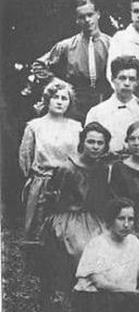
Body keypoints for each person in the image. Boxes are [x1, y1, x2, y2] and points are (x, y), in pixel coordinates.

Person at [68, 198, 139, 312]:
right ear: (110, 220)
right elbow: (100, 283)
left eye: (130, 219)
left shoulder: (133, 242)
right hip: (97, 299)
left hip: (124, 298)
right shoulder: (98, 244)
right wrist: (130, 292)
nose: (126, 225)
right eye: (121, 219)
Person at [41, 122, 112, 300]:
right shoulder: (67, 168)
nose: (95, 147)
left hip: (94, 217)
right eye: (91, 142)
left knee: (109, 243)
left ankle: (103, 294)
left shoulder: (102, 169)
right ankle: (77, 293)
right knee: (81, 247)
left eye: (100, 143)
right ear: (82, 143)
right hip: (68, 217)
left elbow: (102, 199)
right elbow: (52, 200)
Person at [19, 80, 82, 241]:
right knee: (39, 229)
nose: (60, 102)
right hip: (42, 183)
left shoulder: (76, 127)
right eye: (56, 97)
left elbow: (80, 155)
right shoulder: (34, 126)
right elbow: (25, 158)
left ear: (69, 103)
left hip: (68, 182)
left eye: (64, 98)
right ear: (47, 100)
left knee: (66, 230)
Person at [34, 0, 111, 121]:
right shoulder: (66, 46)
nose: (87, 20)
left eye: (90, 15)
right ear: (77, 20)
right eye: (82, 17)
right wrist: (56, 82)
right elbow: (39, 65)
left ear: (98, 14)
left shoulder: (112, 44)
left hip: (104, 102)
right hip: (75, 104)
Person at [85, 55, 139, 156]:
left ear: (137, 82)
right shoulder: (96, 113)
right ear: (113, 79)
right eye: (122, 78)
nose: (127, 83)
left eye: (132, 79)